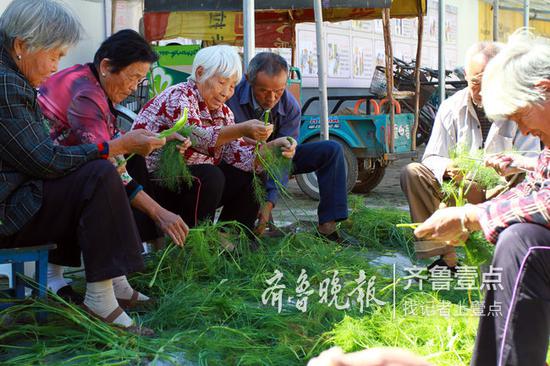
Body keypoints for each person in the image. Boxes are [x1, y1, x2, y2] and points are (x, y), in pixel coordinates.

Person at [0, 0, 167, 334]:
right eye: (54, 55)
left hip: (20, 193)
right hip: (9, 211)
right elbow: (45, 159)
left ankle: (107, 286)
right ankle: (102, 298)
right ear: (20, 46)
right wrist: (116, 147)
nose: (56, 66)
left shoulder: (15, 78)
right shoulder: (9, 85)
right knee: (98, 174)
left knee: (96, 170)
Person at [415, 30, 550, 366]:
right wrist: (470, 200)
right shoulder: (451, 107)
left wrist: (471, 216)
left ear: (543, 90)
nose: (525, 128)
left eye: (521, 116)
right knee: (517, 238)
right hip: (464, 183)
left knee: (523, 244)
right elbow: (539, 183)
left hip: (491, 189)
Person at [37, 29, 189, 306]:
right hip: (38, 191)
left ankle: (115, 279)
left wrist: (160, 140)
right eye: (132, 77)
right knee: (102, 178)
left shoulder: (89, 82)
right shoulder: (85, 95)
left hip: (52, 176)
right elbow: (106, 159)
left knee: (119, 167)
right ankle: (100, 289)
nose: (134, 87)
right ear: (106, 66)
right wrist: (159, 212)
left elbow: (106, 146)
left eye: (140, 80)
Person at [400, 41, 540, 269]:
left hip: (502, 189)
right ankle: (445, 257)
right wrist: (448, 167)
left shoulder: (518, 108)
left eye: (490, 81)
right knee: (413, 173)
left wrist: (509, 166)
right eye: (476, 82)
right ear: (466, 76)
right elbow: (432, 156)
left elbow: (532, 159)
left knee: (527, 174)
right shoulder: (451, 107)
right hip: (459, 186)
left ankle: (504, 253)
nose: (483, 90)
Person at [132, 45, 296, 232]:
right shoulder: (180, 96)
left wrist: (274, 147)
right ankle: (197, 237)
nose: (226, 92)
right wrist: (242, 128)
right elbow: (197, 137)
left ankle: (234, 238)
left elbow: (238, 155)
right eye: (222, 82)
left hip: (186, 183)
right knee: (211, 176)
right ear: (200, 73)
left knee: (251, 176)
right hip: (152, 182)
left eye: (232, 86)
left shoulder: (223, 112)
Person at [226, 52, 348, 240]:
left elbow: (283, 157)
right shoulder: (231, 98)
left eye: (279, 91)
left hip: (279, 157)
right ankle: (237, 230)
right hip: (239, 160)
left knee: (331, 150)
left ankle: (328, 227)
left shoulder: (290, 106)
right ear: (249, 79)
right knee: (252, 171)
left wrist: (269, 202)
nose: (271, 98)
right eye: (264, 91)